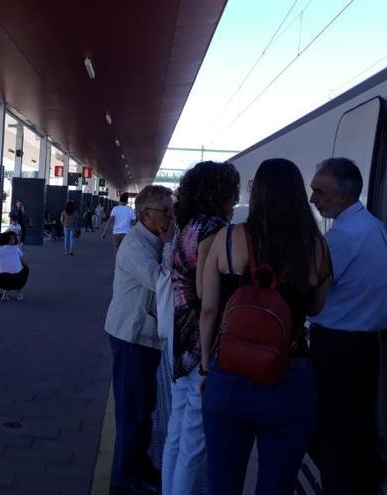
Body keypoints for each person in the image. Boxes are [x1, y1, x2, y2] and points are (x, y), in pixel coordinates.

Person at [198, 158, 332, 495]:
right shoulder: (316, 247)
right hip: (290, 375)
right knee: (277, 487)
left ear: (255, 194)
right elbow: (316, 308)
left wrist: (204, 366)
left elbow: (210, 309)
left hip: (228, 374)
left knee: (222, 486)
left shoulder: (227, 239)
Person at [307, 157, 387, 495]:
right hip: (363, 347)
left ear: (343, 196)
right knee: (357, 432)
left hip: (336, 349)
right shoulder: (373, 226)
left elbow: (310, 289)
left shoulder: (342, 237)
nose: (313, 199)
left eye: (320, 191)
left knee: (333, 436)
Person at [162, 161, 240, 495]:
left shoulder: (187, 225)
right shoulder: (214, 229)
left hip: (180, 335)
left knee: (176, 432)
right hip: (199, 342)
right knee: (194, 441)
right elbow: (209, 301)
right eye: (233, 189)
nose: (236, 198)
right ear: (220, 191)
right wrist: (209, 361)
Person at [103, 185, 174, 495]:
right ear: (146, 214)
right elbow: (163, 282)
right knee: (133, 410)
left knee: (144, 407)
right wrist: (172, 246)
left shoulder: (150, 240)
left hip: (142, 337)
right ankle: (124, 478)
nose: (171, 217)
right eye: (166, 212)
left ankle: (139, 464)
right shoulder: (135, 247)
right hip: (131, 337)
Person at [0, 231, 29, 301]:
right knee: (25, 268)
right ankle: (19, 292)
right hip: (20, 279)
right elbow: (25, 263)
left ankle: (5, 292)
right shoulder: (16, 249)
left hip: (4, 280)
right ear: (8, 241)